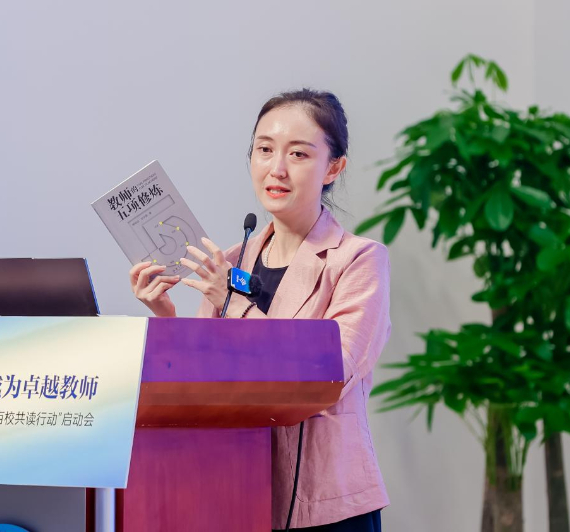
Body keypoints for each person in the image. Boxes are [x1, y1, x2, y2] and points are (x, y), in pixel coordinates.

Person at [128, 89, 390, 531]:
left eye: (298, 154)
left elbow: (331, 373)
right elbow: (201, 379)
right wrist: (165, 315)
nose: (277, 168)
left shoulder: (358, 260)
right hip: (235, 488)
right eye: (265, 149)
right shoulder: (232, 260)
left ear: (333, 168)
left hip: (325, 502)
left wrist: (232, 303)